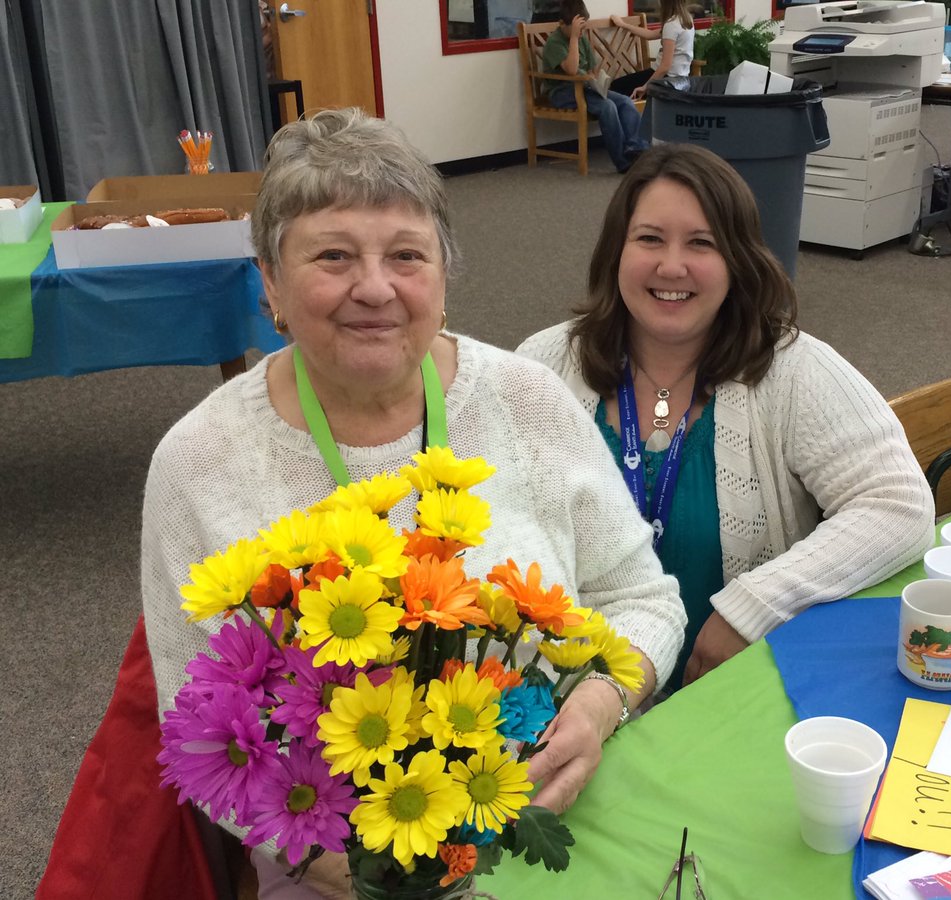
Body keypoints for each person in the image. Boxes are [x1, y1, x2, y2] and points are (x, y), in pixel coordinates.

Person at [141, 108, 685, 898]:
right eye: (332, 255)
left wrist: (601, 703)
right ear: (268, 282)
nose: (374, 287)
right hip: (333, 867)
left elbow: (644, 599)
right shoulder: (200, 462)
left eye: (406, 255)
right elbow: (193, 736)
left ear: (443, 273)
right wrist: (344, 867)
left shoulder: (526, 400)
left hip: (557, 814)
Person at [518, 143, 935, 693]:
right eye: (649, 239)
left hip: (726, 699)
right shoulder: (542, 367)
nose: (672, 265)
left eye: (701, 243)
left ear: (738, 260)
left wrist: (753, 606)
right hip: (565, 701)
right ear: (615, 251)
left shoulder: (791, 370)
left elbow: (899, 504)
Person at [542, 0, 649, 173]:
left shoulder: (581, 38)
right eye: (578, 29)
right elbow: (571, 70)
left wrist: (596, 80)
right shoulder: (555, 42)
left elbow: (592, 68)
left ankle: (636, 150)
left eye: (583, 28)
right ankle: (623, 163)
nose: (581, 32)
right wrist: (575, 39)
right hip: (562, 91)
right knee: (607, 107)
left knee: (624, 101)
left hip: (585, 88)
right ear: (562, 24)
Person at [609, 0, 695, 99]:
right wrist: (623, 24)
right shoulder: (685, 19)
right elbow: (650, 34)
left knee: (616, 86)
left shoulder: (672, 25)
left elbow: (665, 66)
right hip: (681, 77)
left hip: (666, 79)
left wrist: (646, 87)